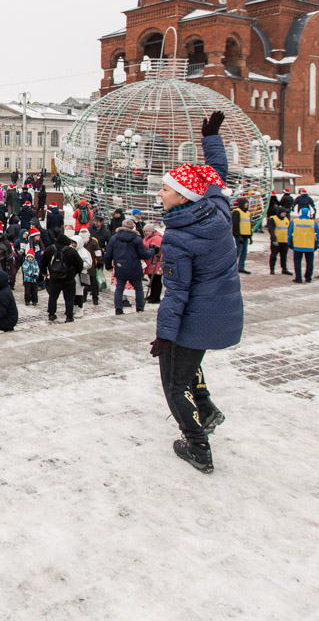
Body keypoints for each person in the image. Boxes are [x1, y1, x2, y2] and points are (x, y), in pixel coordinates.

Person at [150, 111, 242, 474]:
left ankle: (197, 446)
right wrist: (211, 139)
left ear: (182, 196)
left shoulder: (178, 238)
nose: (159, 193)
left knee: (174, 382)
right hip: (222, 311)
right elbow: (216, 175)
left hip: (194, 316)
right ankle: (207, 409)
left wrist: (164, 334)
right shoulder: (217, 210)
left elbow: (176, 293)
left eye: (165, 189)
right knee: (189, 366)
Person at [104, 218, 151, 315]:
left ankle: (118, 309)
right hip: (134, 267)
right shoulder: (137, 239)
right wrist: (152, 251)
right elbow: (144, 255)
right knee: (138, 288)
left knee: (119, 288)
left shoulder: (114, 238)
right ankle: (139, 308)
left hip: (120, 267)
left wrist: (108, 266)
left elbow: (108, 254)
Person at [288, 207, 319, 283]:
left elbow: (289, 234)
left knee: (297, 262)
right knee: (309, 263)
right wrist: (316, 245)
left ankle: (298, 278)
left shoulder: (294, 222)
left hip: (297, 245)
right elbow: (317, 235)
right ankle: (308, 278)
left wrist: (290, 243)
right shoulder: (313, 223)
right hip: (309, 246)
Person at [267, 206, 290, 275]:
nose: (285, 214)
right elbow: (271, 230)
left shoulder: (286, 220)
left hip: (284, 241)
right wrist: (274, 239)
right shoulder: (273, 219)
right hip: (276, 241)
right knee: (273, 255)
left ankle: (284, 269)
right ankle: (272, 269)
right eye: (283, 212)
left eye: (285, 213)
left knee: (284, 256)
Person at [231, 198, 252, 274]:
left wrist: (250, 236)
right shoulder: (237, 212)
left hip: (246, 234)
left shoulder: (248, 213)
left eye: (247, 203)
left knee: (244, 252)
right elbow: (235, 224)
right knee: (238, 251)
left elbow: (249, 224)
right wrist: (238, 235)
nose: (247, 205)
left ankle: (241, 267)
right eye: (246, 203)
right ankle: (230, 267)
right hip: (240, 235)